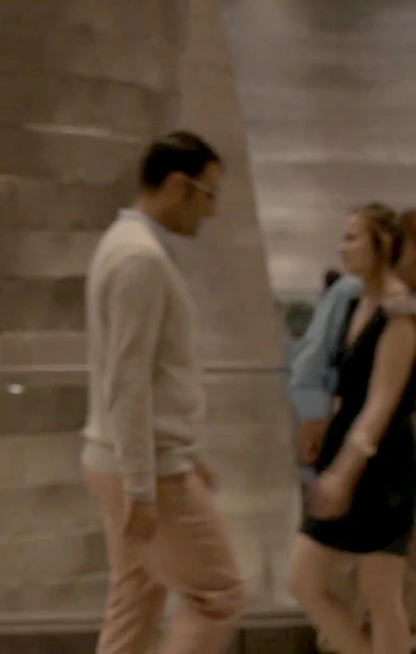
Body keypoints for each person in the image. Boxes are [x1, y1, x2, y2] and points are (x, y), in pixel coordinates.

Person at [80, 130, 243, 654]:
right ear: (178, 185)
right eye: (209, 194)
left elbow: (134, 376)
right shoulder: (141, 259)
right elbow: (128, 380)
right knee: (218, 596)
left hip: (125, 459)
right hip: (147, 467)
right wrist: (143, 487)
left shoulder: (124, 245)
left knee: (135, 596)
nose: (212, 210)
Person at [289, 209, 416, 653]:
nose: (343, 248)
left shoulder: (400, 311)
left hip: (381, 462)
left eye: (352, 237)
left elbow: (382, 402)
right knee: (314, 582)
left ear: (381, 245)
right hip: (357, 445)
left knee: (380, 592)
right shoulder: (356, 299)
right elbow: (322, 363)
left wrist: (345, 469)